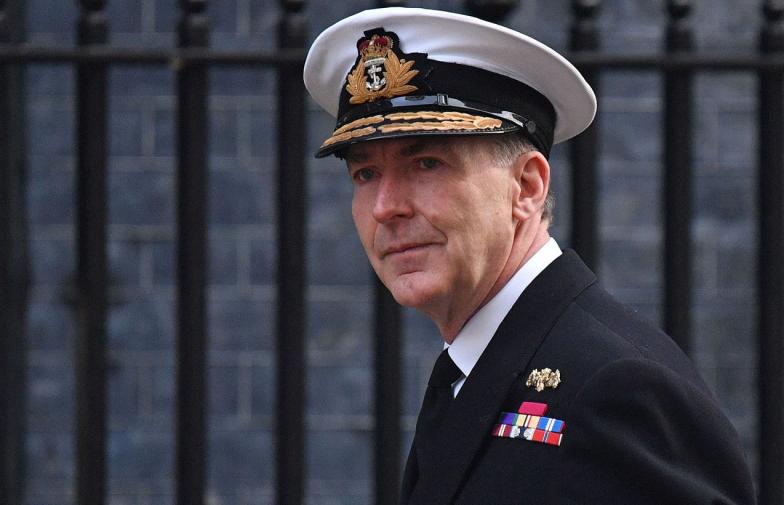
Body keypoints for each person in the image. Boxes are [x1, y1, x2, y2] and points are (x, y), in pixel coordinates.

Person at [304, 7, 756, 505]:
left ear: (527, 186)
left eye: (426, 163)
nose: (386, 207)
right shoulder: (484, 363)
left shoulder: (618, 389)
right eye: (365, 174)